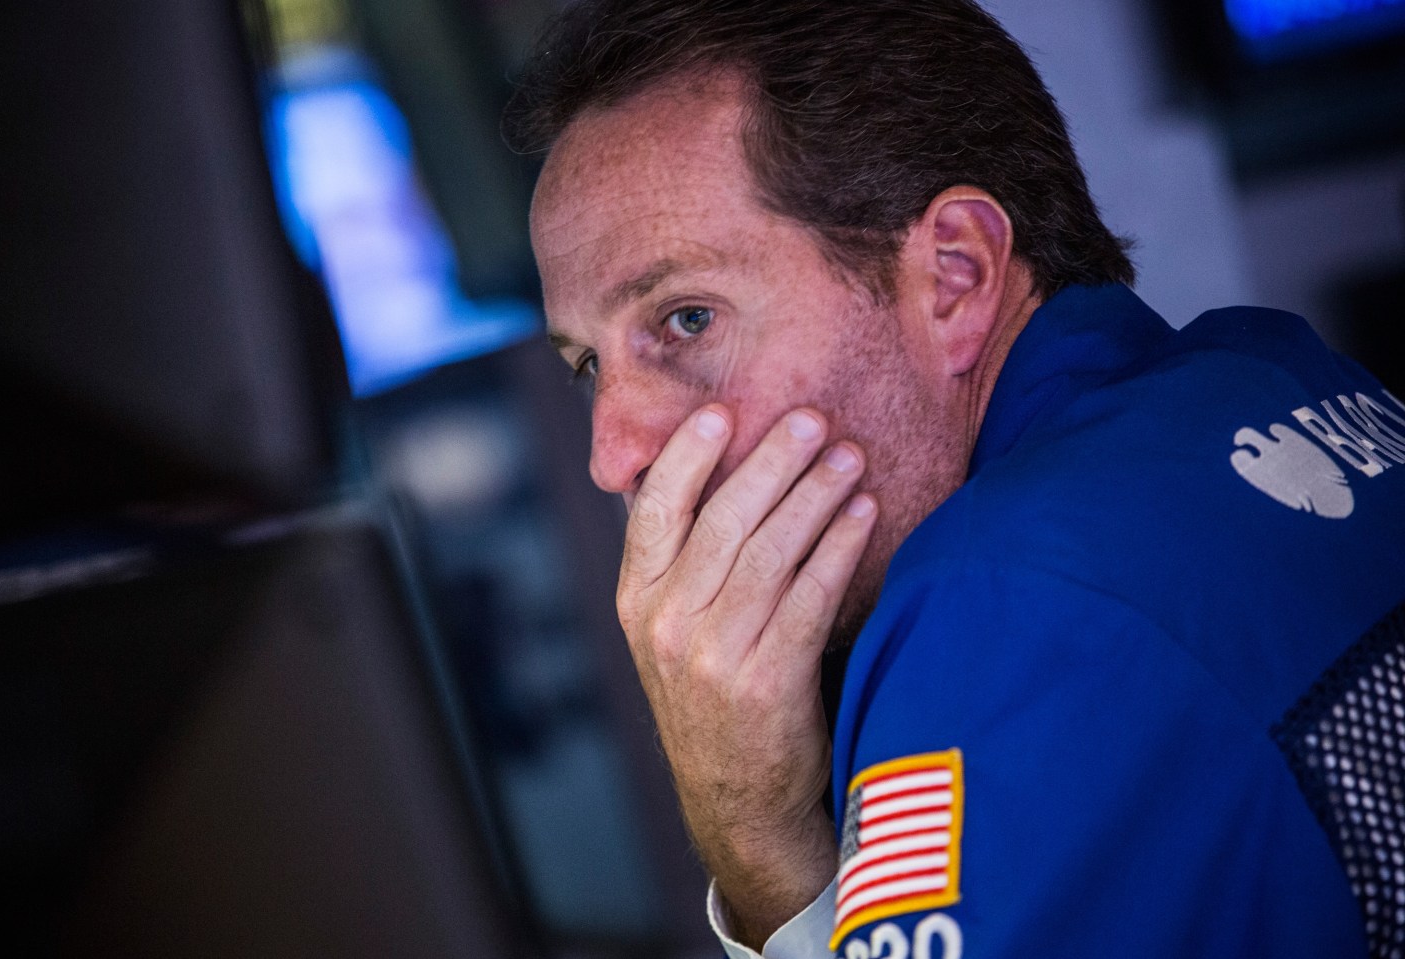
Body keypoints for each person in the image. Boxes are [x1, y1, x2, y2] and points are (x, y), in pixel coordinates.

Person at [502, 1, 1405, 956]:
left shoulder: (1005, 611)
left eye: (687, 319)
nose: (615, 452)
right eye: (589, 364)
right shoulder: (1278, 371)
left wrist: (751, 830)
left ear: (957, 275)